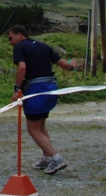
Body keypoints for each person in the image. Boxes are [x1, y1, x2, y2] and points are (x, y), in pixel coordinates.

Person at [7, 25, 76, 175]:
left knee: (33, 129)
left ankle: (56, 158)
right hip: (51, 88)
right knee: (41, 126)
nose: (10, 42)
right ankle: (46, 158)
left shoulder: (20, 48)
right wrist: (72, 67)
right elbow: (64, 65)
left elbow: (22, 68)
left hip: (36, 90)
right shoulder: (43, 46)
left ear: (20, 35)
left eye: (10, 38)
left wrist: (17, 89)